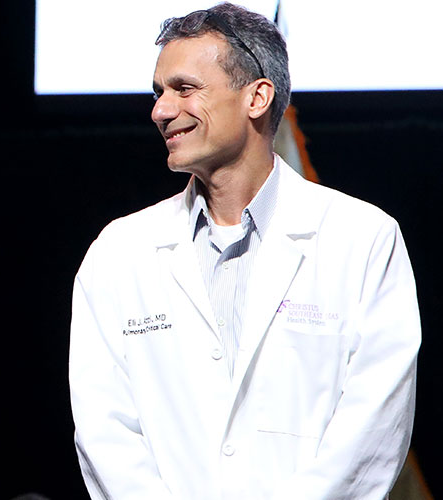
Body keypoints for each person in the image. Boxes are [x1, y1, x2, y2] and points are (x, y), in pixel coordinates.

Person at [69, 4, 420, 499]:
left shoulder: (363, 239)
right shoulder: (119, 253)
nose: (160, 111)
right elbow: (105, 430)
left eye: (184, 89)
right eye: (158, 93)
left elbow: (373, 427)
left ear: (257, 97)